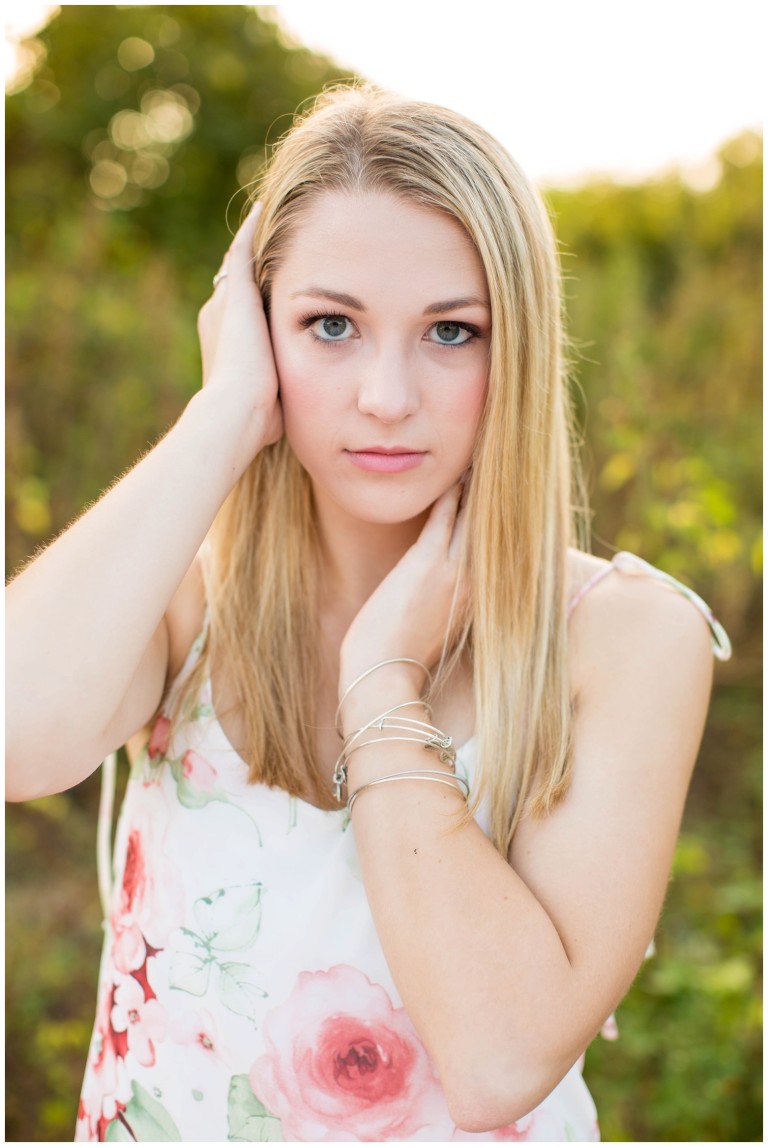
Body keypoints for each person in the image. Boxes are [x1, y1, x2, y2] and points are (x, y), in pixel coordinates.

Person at [6, 84, 731, 1143]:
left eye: (451, 331)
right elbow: (13, 738)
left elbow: (497, 1060)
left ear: (518, 347)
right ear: (258, 332)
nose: (387, 394)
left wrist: (380, 676)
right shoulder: (188, 594)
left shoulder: (624, 636)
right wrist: (224, 416)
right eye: (329, 324)